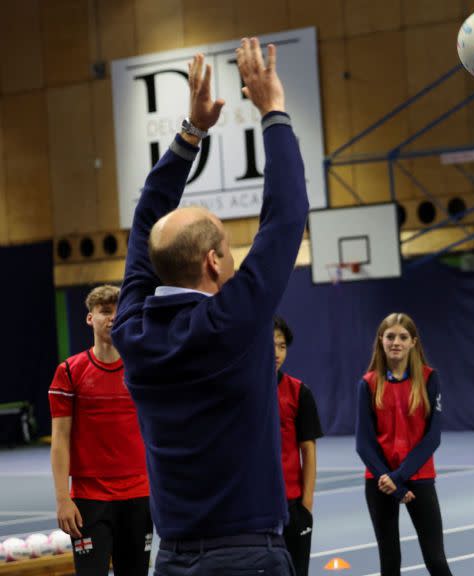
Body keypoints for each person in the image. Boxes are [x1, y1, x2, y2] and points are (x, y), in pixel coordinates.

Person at [111, 38, 308, 576]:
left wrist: (190, 134)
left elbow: (144, 224)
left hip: (171, 557)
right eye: (228, 246)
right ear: (214, 264)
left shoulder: (132, 332)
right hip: (249, 556)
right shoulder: (233, 323)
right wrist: (272, 109)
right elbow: (287, 215)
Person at [48, 285, 152, 575]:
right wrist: (62, 499)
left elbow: (157, 432)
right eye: (105, 312)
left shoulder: (142, 370)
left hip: (139, 497)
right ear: (90, 318)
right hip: (89, 501)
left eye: (118, 312)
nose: (113, 318)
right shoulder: (69, 372)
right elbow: (60, 439)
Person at [355, 313, 452, 576]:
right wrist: (389, 480)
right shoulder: (368, 384)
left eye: (402, 337)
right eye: (390, 336)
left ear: (413, 342)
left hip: (417, 477)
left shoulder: (430, 379)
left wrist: (400, 477)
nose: (396, 342)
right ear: (381, 341)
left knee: (435, 560)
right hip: (379, 481)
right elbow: (363, 443)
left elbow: (433, 437)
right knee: (390, 562)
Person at [274, 316, 324, 576]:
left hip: (293, 506)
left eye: (282, 346)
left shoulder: (299, 392)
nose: (277, 353)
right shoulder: (243, 391)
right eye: (271, 345)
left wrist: (306, 504)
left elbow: (309, 451)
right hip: (256, 510)